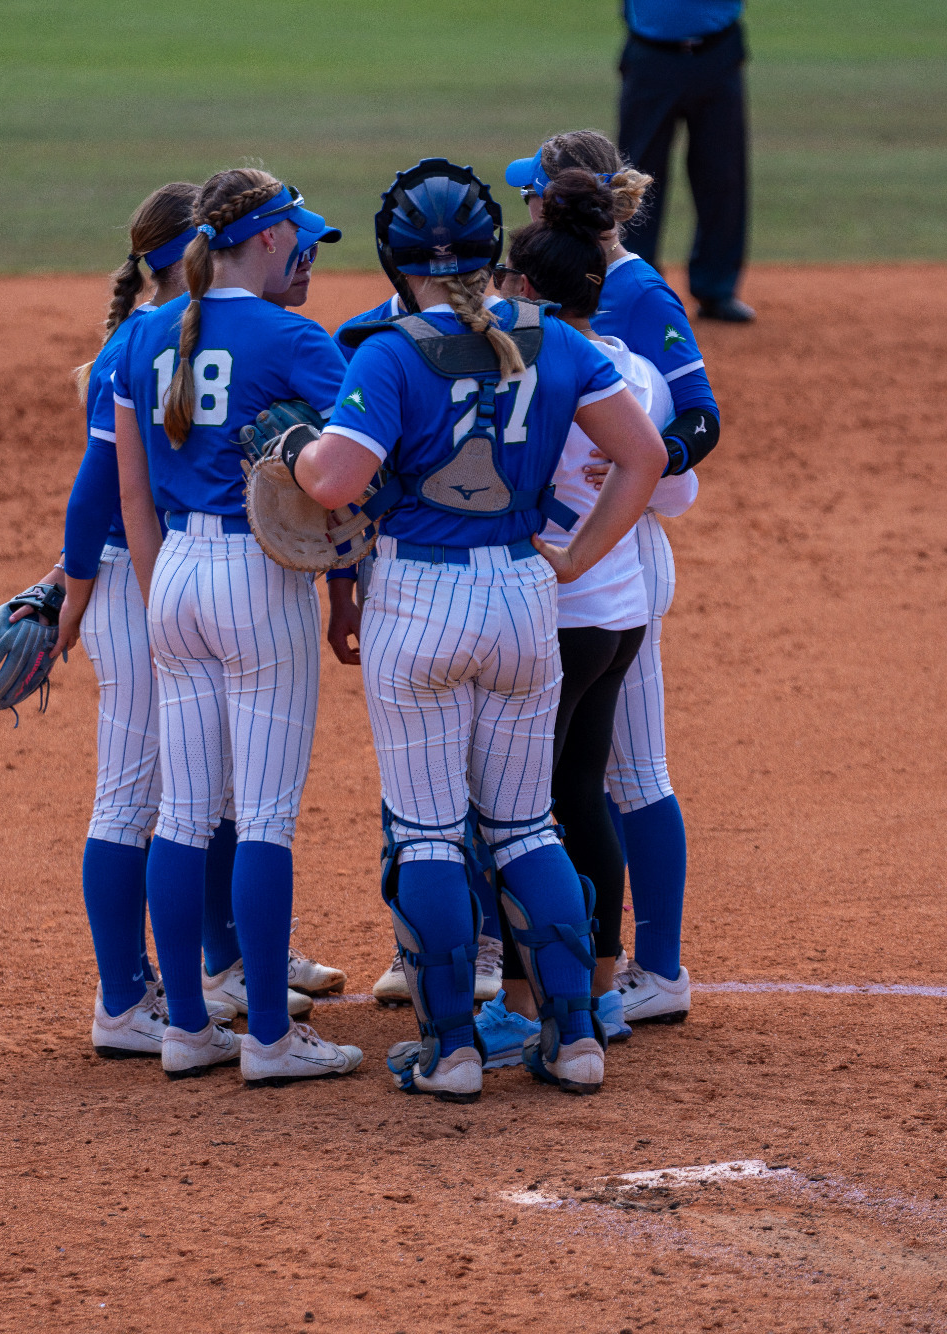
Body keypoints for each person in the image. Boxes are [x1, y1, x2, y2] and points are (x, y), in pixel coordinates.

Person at [293, 158, 668, 1102]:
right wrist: (576, 559)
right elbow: (646, 455)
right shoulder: (555, 338)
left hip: (417, 599)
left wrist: (293, 451)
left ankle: (452, 1051)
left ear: (396, 261)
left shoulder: (387, 351)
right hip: (523, 598)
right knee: (527, 824)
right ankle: (574, 1040)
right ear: (492, 249)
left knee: (427, 834)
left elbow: (333, 482)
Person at [108, 168, 363, 1086]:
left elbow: (133, 496)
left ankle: (185, 1028)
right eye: (296, 233)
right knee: (262, 817)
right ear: (266, 238)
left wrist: (159, 604)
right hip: (259, 579)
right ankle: (270, 1039)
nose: (302, 248)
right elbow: (356, 474)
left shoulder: (141, 336)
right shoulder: (295, 339)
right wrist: (346, 580)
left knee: (182, 815)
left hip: (173, 571)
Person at [471, 169, 702, 1068]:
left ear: (528, 286)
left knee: (519, 813)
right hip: (621, 616)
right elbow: (675, 492)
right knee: (583, 799)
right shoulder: (635, 373)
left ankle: (523, 1004)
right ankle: (604, 995)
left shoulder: (520, 368)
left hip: (554, 612)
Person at [612, 0, 755, 322]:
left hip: (717, 51)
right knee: (636, 177)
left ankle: (716, 288)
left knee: (723, 173)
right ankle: (636, 288)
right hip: (651, 54)